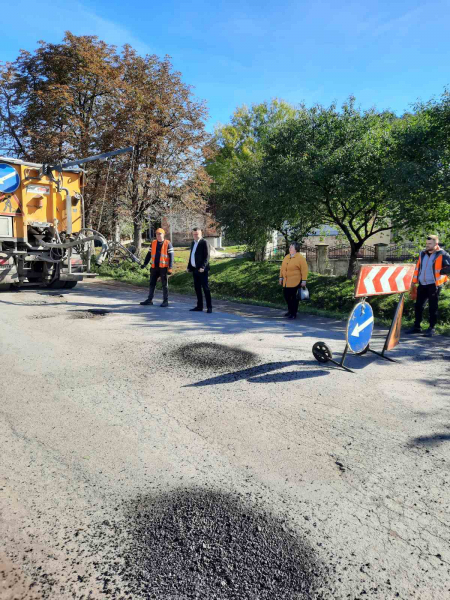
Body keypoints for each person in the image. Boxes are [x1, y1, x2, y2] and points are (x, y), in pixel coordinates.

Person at [406, 235, 450, 337]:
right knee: (418, 306)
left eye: (430, 244)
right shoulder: (422, 254)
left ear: (436, 244)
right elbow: (418, 268)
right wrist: (414, 281)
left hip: (434, 285)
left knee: (432, 307)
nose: (427, 246)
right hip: (422, 284)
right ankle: (417, 327)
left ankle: (431, 328)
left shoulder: (443, 254)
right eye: (426, 244)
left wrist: (443, 272)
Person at [140, 228, 174, 307]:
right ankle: (149, 300)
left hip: (163, 267)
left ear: (163, 234)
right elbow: (149, 255)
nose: (158, 235)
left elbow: (171, 257)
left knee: (164, 285)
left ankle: (165, 301)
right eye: (157, 234)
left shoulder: (168, 243)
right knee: (152, 283)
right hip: (154, 267)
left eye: (160, 234)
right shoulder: (153, 243)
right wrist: (145, 264)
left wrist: (170, 267)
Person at [279, 242, 308, 319]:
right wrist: (280, 277)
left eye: (291, 247)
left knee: (294, 298)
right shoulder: (287, 257)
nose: (289, 248)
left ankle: (293, 313)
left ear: (296, 249)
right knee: (286, 296)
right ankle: (290, 310)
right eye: (290, 247)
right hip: (286, 282)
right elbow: (282, 268)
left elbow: (304, 270)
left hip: (296, 281)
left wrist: (304, 280)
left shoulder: (300, 258)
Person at [186, 227, 212, 313]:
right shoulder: (193, 243)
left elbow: (207, 256)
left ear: (201, 234)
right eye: (194, 234)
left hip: (202, 270)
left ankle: (209, 307)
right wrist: (189, 266)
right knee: (197, 288)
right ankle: (199, 306)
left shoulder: (204, 242)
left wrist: (203, 267)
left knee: (205, 288)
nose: (195, 235)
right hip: (195, 269)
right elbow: (191, 255)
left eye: (197, 234)